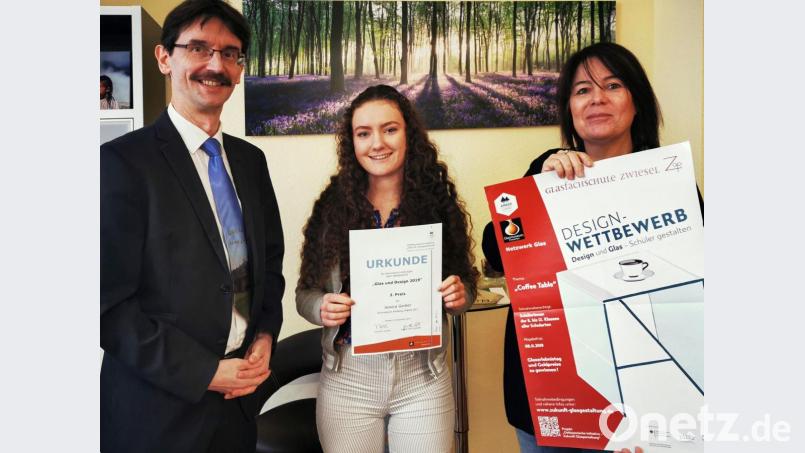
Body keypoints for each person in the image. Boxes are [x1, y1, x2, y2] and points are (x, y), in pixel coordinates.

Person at [482, 42, 703, 453]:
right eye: (582, 90)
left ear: (636, 102)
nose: (597, 98)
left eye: (613, 85)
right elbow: (496, 253)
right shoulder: (547, 169)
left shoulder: (668, 182)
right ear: (570, 108)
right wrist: (538, 187)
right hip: (554, 398)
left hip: (648, 398)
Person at [100, 1, 285, 452]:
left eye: (230, 52)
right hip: (157, 416)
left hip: (238, 407)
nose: (215, 65)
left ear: (240, 69)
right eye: (198, 48)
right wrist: (204, 372)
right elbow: (105, 305)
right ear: (165, 58)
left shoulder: (250, 161)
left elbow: (270, 267)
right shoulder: (120, 163)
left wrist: (264, 334)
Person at [296, 84, 478, 453]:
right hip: (349, 380)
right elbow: (304, 294)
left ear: (408, 133)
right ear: (352, 142)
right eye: (364, 133)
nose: (377, 143)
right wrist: (321, 308)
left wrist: (460, 296)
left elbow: (467, 287)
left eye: (390, 129)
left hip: (422, 376)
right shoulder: (333, 208)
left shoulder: (435, 203)